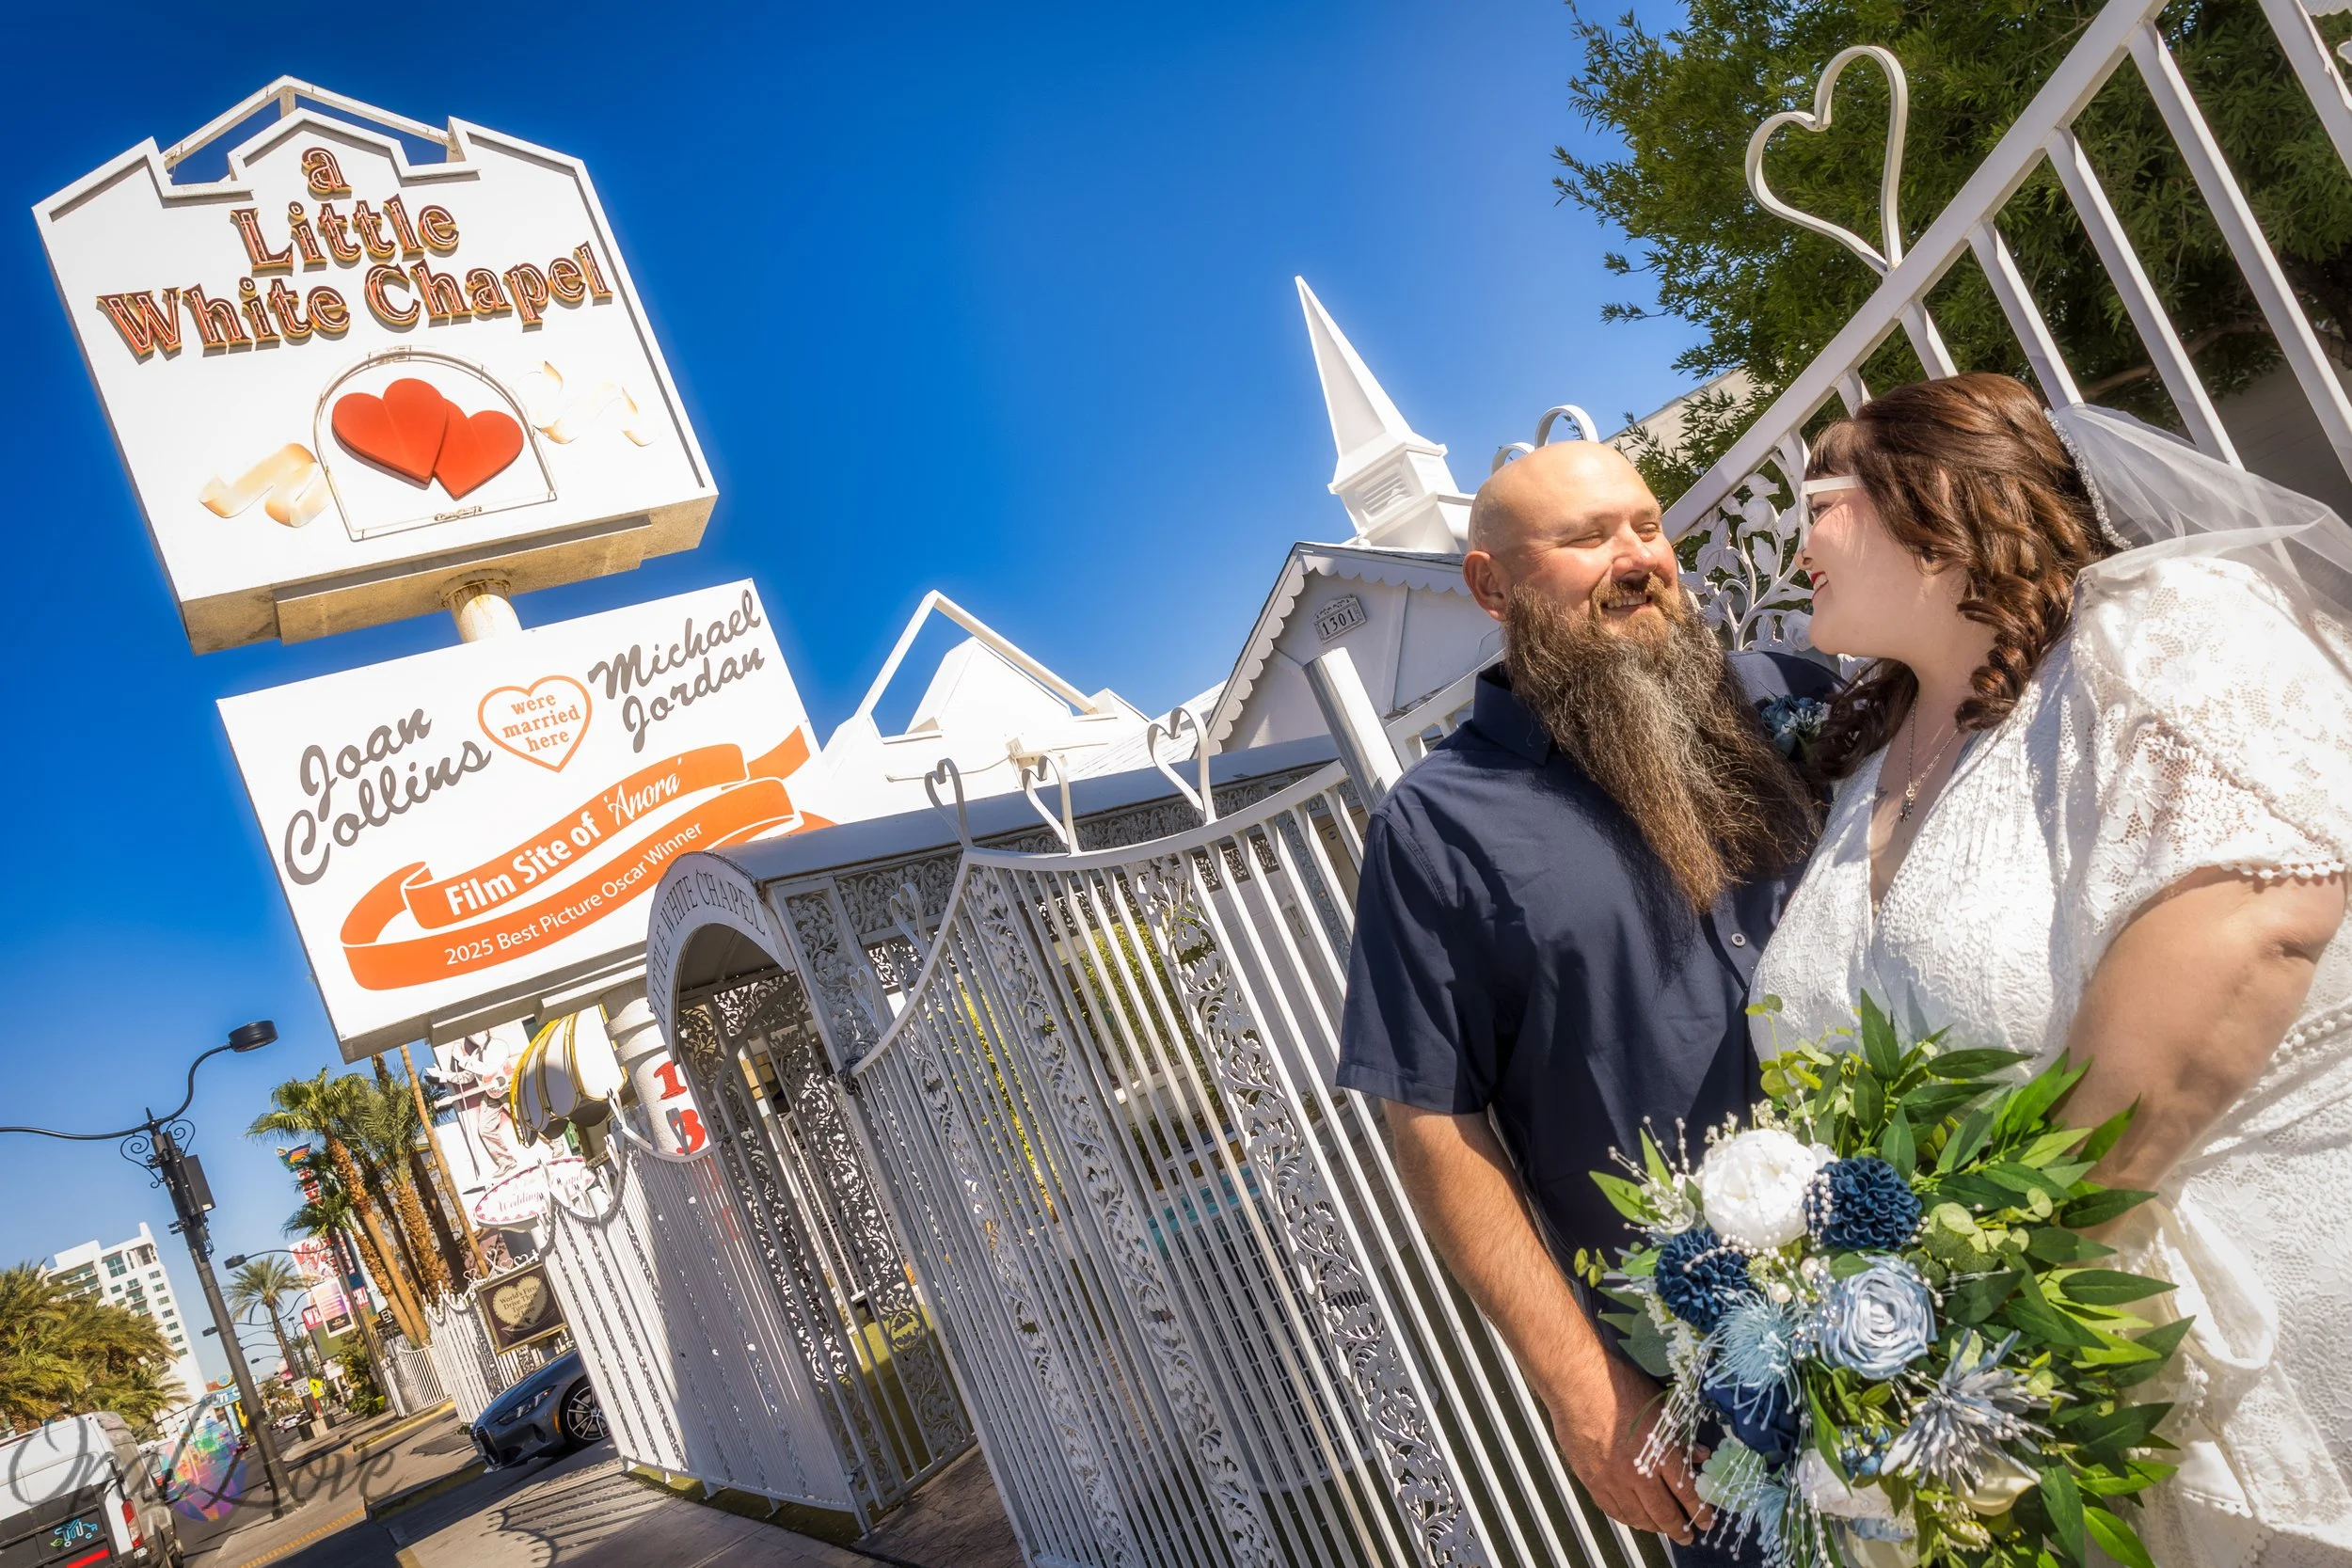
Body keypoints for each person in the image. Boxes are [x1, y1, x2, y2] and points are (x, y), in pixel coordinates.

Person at [1752, 372, 2352, 1565]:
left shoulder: (2156, 626)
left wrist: (1998, 1298)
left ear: (1926, 499)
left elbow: (2253, 921)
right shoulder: (1863, 769)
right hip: (2029, 1403)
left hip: (2262, 1327)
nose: (1793, 544)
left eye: (1816, 499)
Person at [1336, 436, 1835, 1560]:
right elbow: (1432, 1119)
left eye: (1647, 526)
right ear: (1490, 585)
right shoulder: (1435, 826)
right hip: (1723, 1402)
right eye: (1585, 538)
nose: (1636, 556)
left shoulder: (1795, 698)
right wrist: (1583, 1389)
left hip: (1947, 1277)